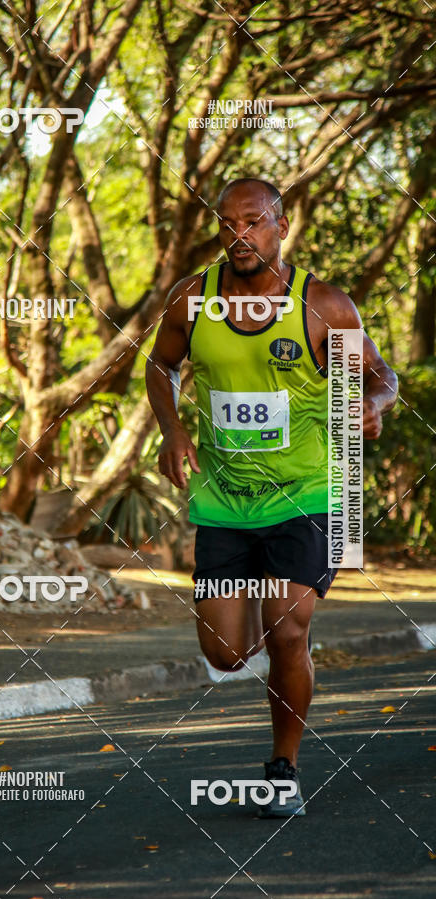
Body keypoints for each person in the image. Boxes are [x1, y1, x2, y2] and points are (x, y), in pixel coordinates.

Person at [145, 177, 398, 816]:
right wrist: (173, 430)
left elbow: (378, 373)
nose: (240, 236)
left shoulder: (322, 306)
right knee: (227, 654)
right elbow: (159, 365)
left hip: (307, 493)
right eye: (228, 224)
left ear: (280, 226)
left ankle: (283, 767)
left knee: (287, 633)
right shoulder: (191, 302)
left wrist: (372, 402)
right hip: (224, 499)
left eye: (253, 223)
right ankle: (265, 594)